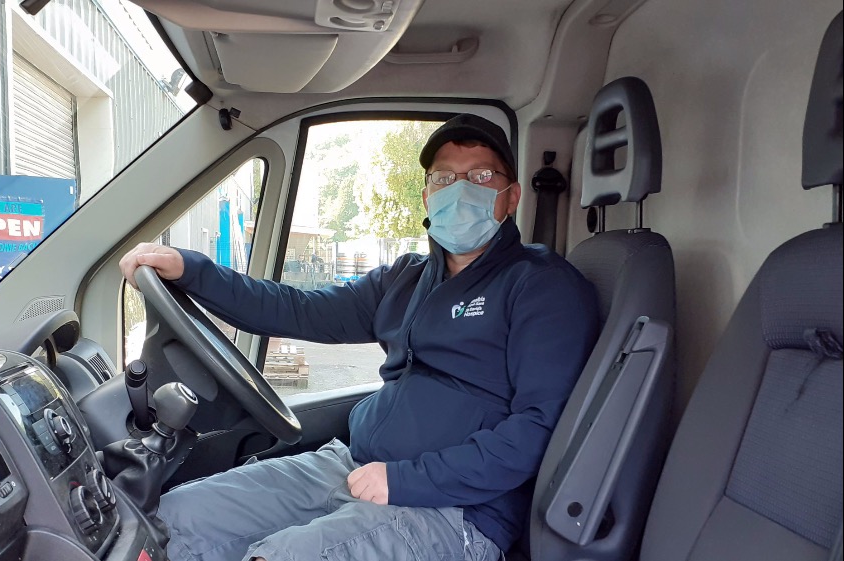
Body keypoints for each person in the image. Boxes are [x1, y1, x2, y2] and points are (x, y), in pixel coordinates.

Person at [119, 113, 599, 561]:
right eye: (444, 177)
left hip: (458, 510)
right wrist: (191, 271)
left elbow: (539, 428)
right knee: (167, 519)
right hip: (351, 465)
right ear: (427, 197)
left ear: (511, 197)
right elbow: (297, 309)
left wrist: (405, 480)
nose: (459, 190)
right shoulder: (407, 278)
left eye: (481, 176)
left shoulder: (541, 284)